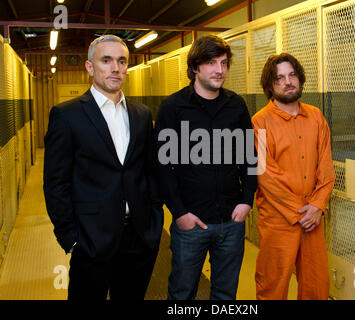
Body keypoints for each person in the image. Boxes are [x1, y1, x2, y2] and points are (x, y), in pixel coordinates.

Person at [43, 35, 163, 300]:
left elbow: (151, 171)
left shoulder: (141, 114)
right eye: (106, 60)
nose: (115, 68)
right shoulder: (67, 115)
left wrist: (154, 222)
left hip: (138, 236)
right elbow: (55, 183)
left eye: (121, 61)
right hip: (91, 239)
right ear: (90, 67)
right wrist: (71, 238)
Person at [154, 35, 257, 300]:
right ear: (195, 67)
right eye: (211, 63)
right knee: (182, 293)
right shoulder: (173, 107)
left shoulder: (236, 105)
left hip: (231, 222)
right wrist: (179, 213)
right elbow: (162, 167)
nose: (219, 70)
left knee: (225, 294)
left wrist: (247, 201)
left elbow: (250, 156)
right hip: (191, 223)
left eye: (223, 63)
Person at [252, 53, 335, 300]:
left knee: (316, 285)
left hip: (313, 217)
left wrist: (318, 206)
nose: (288, 82)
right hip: (279, 219)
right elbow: (266, 176)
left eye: (292, 75)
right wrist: (302, 211)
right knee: (272, 286)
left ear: (299, 78)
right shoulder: (259, 123)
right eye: (279, 78)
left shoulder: (316, 117)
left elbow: (326, 169)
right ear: (270, 85)